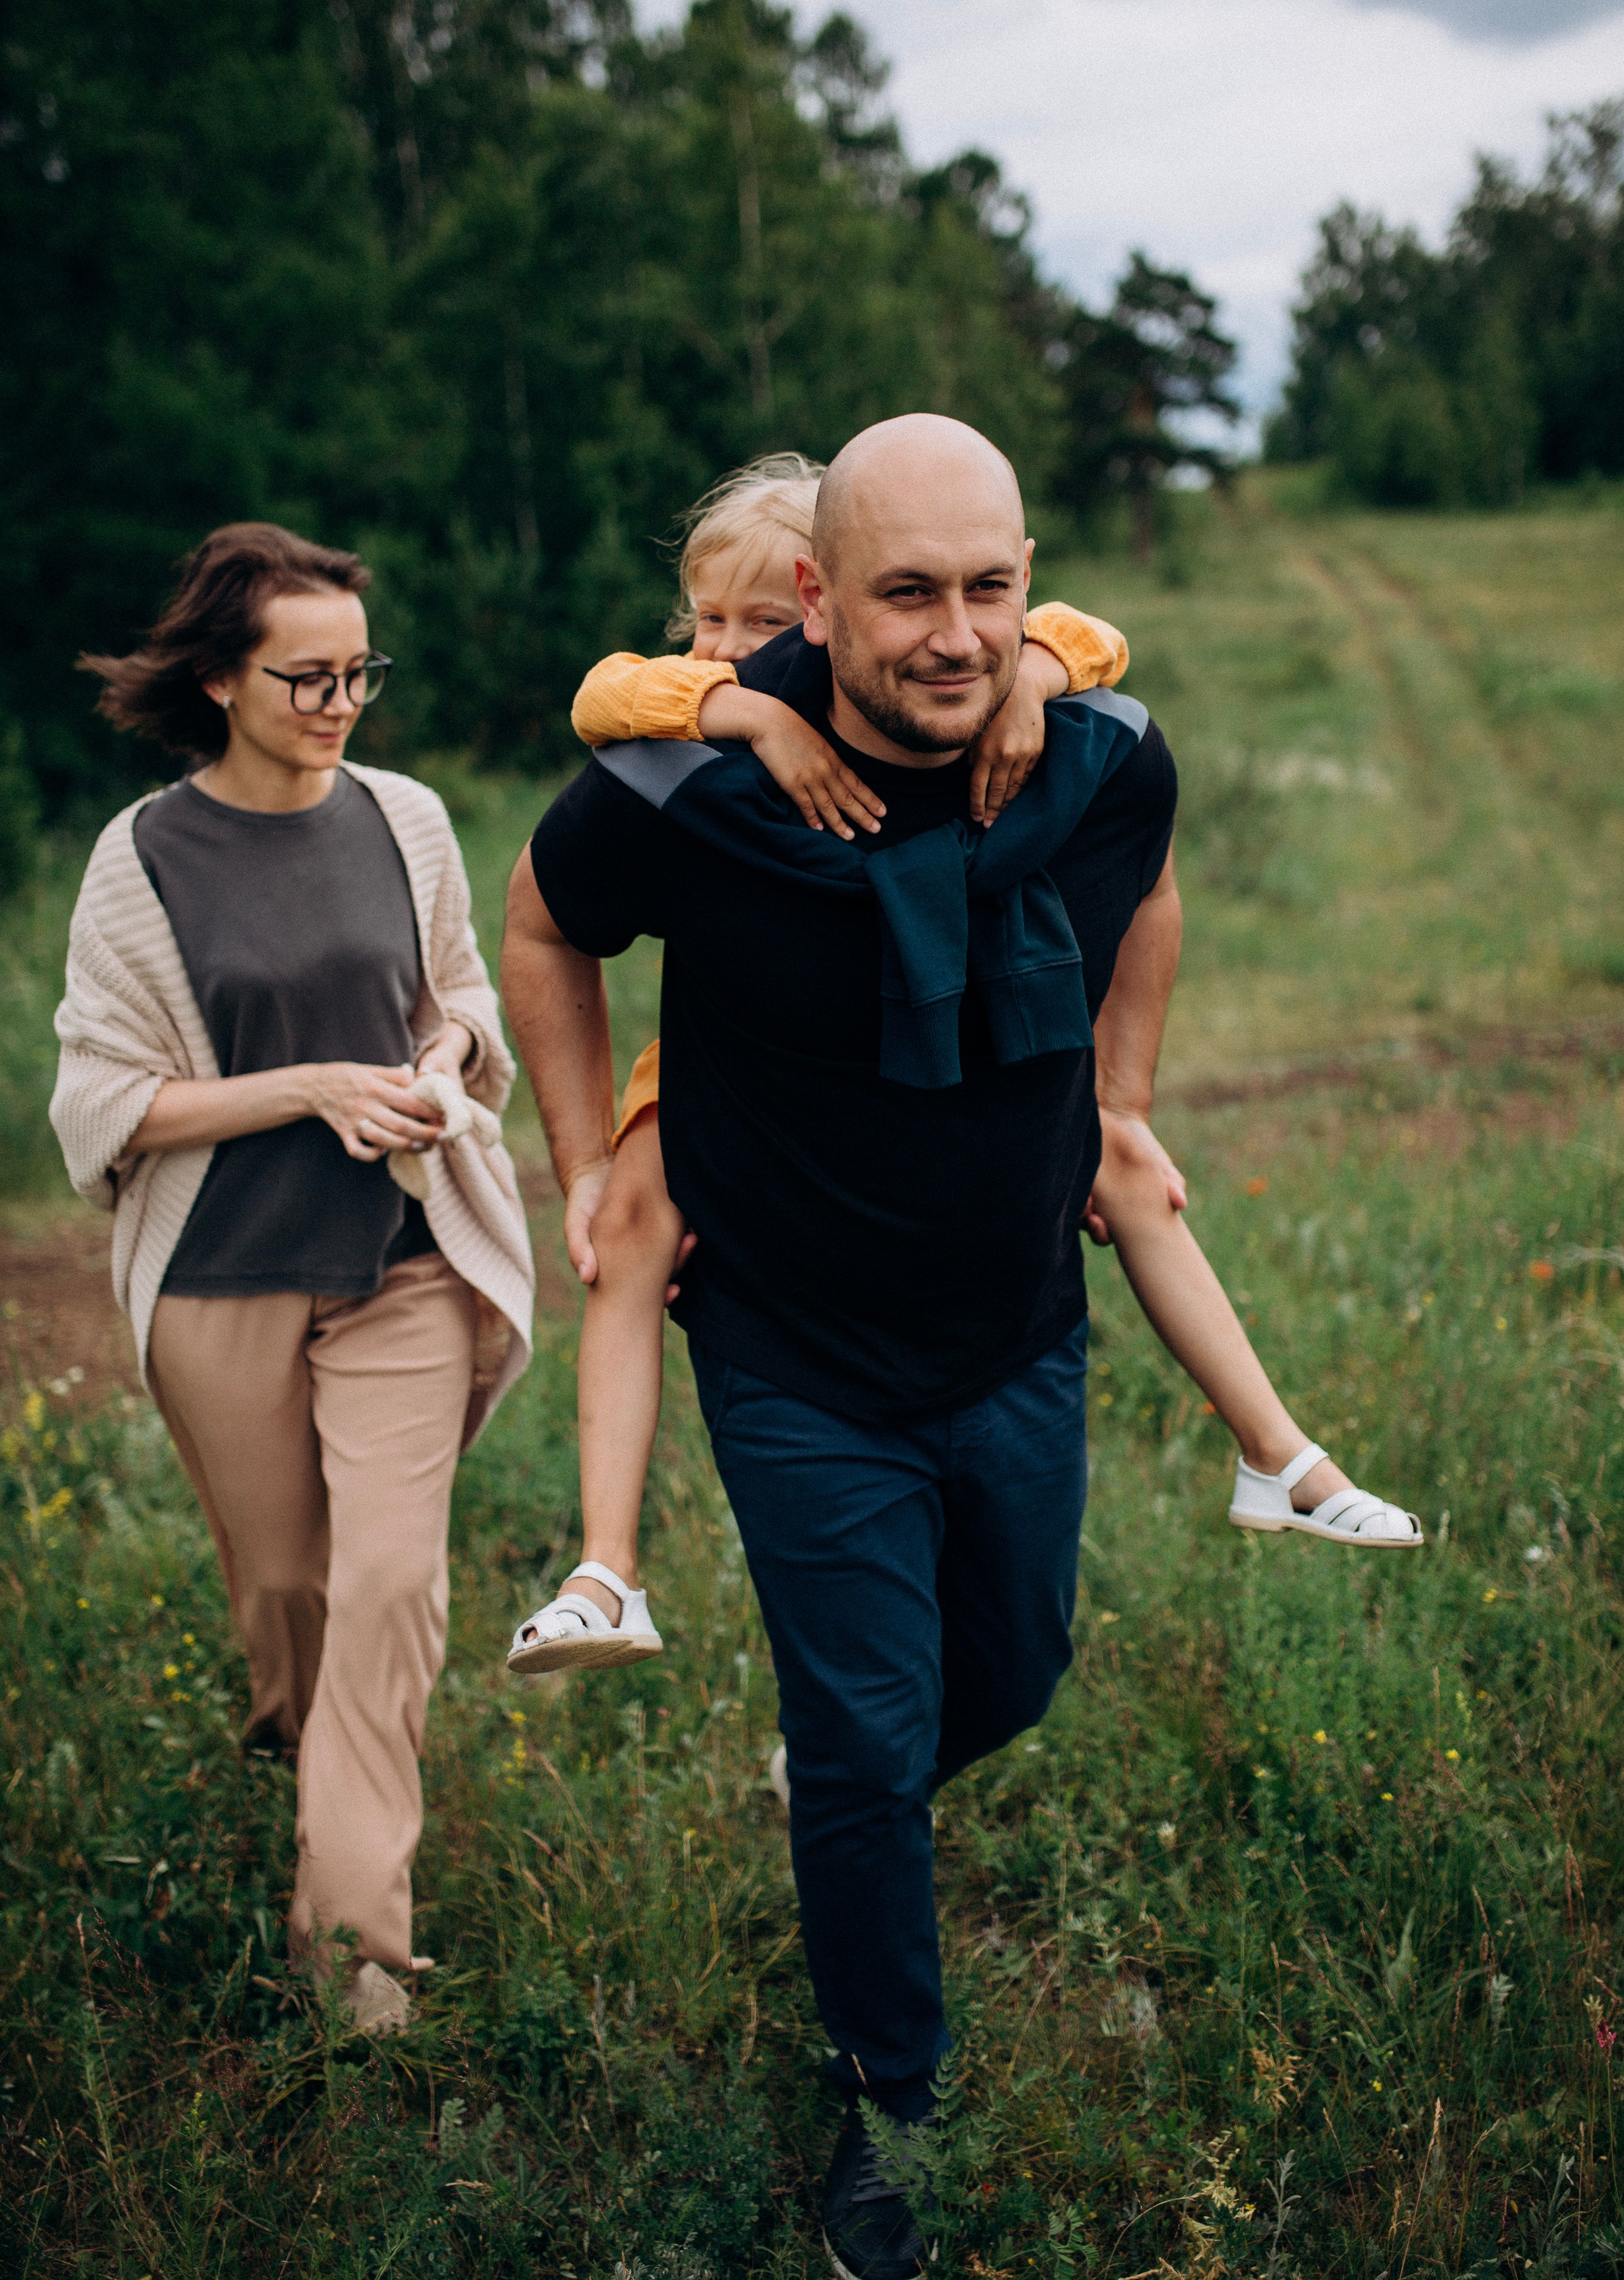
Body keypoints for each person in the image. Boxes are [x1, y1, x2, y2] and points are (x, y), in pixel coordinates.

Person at [507, 456, 1420, 1678]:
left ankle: (1278, 1453)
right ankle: (606, 1566)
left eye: (759, 628)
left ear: (819, 609)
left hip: (1006, 1283)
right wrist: (754, 713)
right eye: (708, 623)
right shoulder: (698, 742)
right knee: (629, 1231)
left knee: (1131, 1176)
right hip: (736, 1124)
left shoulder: (1052, 713)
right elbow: (603, 710)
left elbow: (1096, 675)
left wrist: (1037, 680)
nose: (725, 652)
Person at [50, 523, 534, 2038]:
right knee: (290, 1593)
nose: (341, 704)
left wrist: (442, 1056)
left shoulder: (407, 818)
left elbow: (456, 996)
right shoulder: (141, 859)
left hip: (400, 1261)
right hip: (223, 1276)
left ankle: (357, 1956)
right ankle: (307, 1735)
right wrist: (307, 1085)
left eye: (357, 674)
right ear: (217, 679)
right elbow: (104, 1107)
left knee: (390, 1588)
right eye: (306, 678)